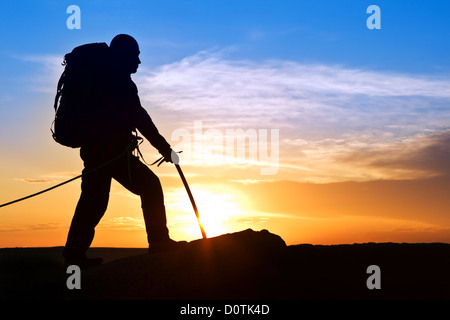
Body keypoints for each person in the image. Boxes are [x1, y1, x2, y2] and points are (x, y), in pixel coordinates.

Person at [62, 34, 185, 268]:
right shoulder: (120, 81)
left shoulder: (102, 78)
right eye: (136, 56)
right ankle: (159, 241)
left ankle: (73, 257)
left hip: (95, 150)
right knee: (149, 186)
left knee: (93, 202)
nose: (138, 61)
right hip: (112, 152)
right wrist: (165, 149)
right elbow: (140, 118)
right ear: (125, 55)